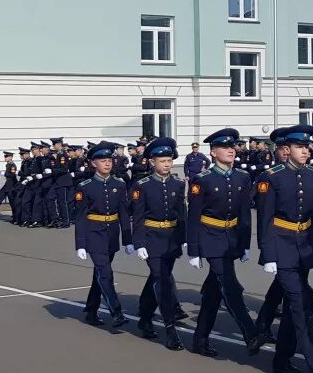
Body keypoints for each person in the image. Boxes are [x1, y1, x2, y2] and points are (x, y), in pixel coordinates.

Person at [257, 124, 313, 373]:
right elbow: (265, 219)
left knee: (292, 306)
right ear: (287, 150)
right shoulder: (272, 177)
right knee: (299, 302)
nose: (306, 151)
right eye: (300, 147)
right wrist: (268, 255)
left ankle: (282, 358)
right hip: (282, 244)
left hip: (304, 246)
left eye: (307, 146)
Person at [186, 128, 261, 357]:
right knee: (230, 285)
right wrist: (194, 250)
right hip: (211, 238)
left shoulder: (242, 177)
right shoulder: (203, 180)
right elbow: (194, 216)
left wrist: (245, 244)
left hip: (231, 239)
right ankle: (251, 333)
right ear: (213, 152)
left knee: (213, 293)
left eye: (233, 146)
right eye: (225, 147)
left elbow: (244, 214)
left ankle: (199, 340)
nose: (231, 150)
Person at [130, 137, 187, 350]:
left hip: (171, 238)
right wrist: (139, 243)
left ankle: (144, 317)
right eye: (162, 161)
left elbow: (182, 213)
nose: (166, 164)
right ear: (151, 162)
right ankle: (170, 329)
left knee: (156, 278)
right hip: (152, 238)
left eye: (169, 160)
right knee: (162, 281)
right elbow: (137, 216)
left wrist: (184, 238)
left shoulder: (178, 184)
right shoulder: (142, 185)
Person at [74, 142, 133, 330]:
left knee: (99, 274)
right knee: (105, 272)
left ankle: (91, 311)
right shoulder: (85, 186)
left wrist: (128, 240)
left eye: (109, 160)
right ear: (93, 163)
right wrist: (80, 243)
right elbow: (81, 217)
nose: (107, 164)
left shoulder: (119, 184)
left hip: (111, 234)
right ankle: (116, 312)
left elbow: (124, 214)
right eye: (102, 161)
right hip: (94, 233)